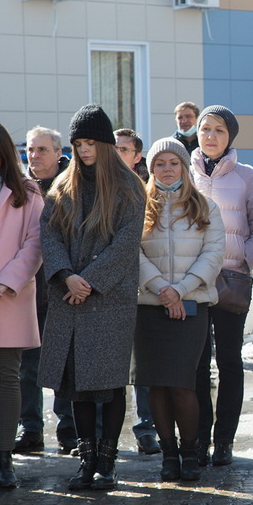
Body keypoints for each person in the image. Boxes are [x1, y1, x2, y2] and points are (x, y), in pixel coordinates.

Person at [39, 104, 147, 491]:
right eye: (78, 143)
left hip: (109, 300)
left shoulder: (129, 186)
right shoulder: (63, 185)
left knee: (109, 383)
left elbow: (126, 244)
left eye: (90, 142)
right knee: (77, 385)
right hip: (71, 299)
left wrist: (89, 280)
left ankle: (108, 461)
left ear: (104, 143)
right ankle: (86, 461)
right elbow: (48, 234)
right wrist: (67, 276)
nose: (84, 150)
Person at [134, 138, 224, 481]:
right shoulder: (138, 205)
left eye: (173, 163)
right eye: (160, 164)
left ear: (184, 167)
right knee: (156, 384)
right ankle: (168, 455)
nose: (167, 169)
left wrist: (180, 291)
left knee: (183, 384)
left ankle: (189, 453)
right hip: (150, 306)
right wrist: (161, 288)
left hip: (191, 306)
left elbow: (213, 254)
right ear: (151, 169)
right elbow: (133, 253)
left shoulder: (204, 206)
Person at [191, 105, 253, 467]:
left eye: (219, 130)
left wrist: (242, 261)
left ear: (231, 137)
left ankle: (224, 439)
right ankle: (196, 438)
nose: (211, 136)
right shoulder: (181, 170)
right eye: (205, 128)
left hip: (230, 283)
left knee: (228, 361)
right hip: (190, 284)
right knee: (194, 364)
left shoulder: (247, 176)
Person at [0, 120, 44, 489]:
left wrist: (3, 283)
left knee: (8, 380)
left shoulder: (28, 192)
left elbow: (35, 244)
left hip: (10, 297)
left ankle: (4, 461)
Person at [14, 126, 77, 455]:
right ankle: (30, 428)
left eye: (41, 150)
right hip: (26, 292)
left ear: (57, 153)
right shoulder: (18, 189)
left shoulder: (71, 187)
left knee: (65, 364)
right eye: (30, 150)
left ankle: (69, 429)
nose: (34, 156)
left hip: (64, 289)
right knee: (28, 365)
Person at [113, 126, 159, 456]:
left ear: (137, 156)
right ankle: (102, 435)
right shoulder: (96, 186)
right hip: (105, 288)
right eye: (113, 149)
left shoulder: (146, 191)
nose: (117, 155)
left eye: (124, 150)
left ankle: (146, 429)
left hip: (142, 286)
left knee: (142, 362)